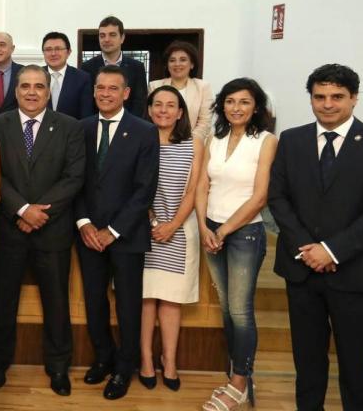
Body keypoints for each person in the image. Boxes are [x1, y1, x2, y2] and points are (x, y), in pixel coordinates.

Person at [269, 64, 363, 411]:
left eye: (337, 97)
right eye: (320, 96)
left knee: (356, 365)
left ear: (354, 99)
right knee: (308, 363)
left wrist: (331, 250)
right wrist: (308, 250)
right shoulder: (292, 140)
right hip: (302, 270)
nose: (328, 104)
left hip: (353, 272)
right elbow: (277, 198)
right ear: (310, 98)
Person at [0, 66, 85, 397]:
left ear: (48, 91)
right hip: (9, 228)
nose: (31, 92)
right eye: (24, 86)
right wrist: (22, 210)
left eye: (38, 86)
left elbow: (73, 177)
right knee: (2, 301)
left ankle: (58, 367)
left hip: (52, 230)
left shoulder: (69, 127)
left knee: (56, 302)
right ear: (16, 92)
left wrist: (40, 211)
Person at [75, 65, 159, 401]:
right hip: (88, 235)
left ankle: (126, 367)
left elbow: (144, 189)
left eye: (113, 88)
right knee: (94, 302)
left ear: (126, 93)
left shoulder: (144, 131)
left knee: (127, 305)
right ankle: (103, 358)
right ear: (93, 91)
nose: (105, 94)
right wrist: (84, 223)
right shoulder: (79, 129)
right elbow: (74, 181)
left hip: (126, 236)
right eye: (100, 88)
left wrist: (112, 230)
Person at [196, 77, 276, 411]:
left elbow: (260, 197)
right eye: (230, 101)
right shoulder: (215, 138)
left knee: (241, 311)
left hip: (244, 233)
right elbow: (202, 185)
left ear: (256, 106)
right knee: (227, 308)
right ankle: (238, 371)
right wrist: (203, 227)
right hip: (211, 229)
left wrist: (225, 230)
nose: (236, 108)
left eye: (244, 102)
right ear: (222, 106)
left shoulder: (266, 141)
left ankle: (239, 383)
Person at [138, 86, 204, 392]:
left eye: (171, 106)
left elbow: (194, 191)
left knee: (171, 300)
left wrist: (172, 225)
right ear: (149, 110)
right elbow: (138, 187)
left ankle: (170, 360)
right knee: (146, 298)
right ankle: (146, 360)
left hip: (179, 231)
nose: (163, 110)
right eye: (157, 105)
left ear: (180, 113)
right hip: (146, 229)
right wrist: (154, 222)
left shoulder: (194, 144)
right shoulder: (140, 141)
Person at [80, 16, 148, 117]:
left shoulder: (137, 67)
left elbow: (140, 103)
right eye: (102, 35)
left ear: (122, 38)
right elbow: (86, 104)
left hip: (129, 127)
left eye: (112, 35)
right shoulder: (86, 68)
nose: (106, 39)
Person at [149, 41, 212, 140]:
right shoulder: (154, 86)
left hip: (192, 144)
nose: (177, 64)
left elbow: (205, 122)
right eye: (172, 60)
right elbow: (150, 117)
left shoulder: (203, 87)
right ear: (167, 65)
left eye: (183, 60)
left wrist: (188, 143)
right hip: (160, 142)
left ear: (192, 64)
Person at [42, 31, 93, 120]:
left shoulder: (82, 78)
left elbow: (86, 115)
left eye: (58, 49)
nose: (53, 53)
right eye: (48, 49)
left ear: (69, 52)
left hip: (71, 132)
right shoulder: (35, 76)